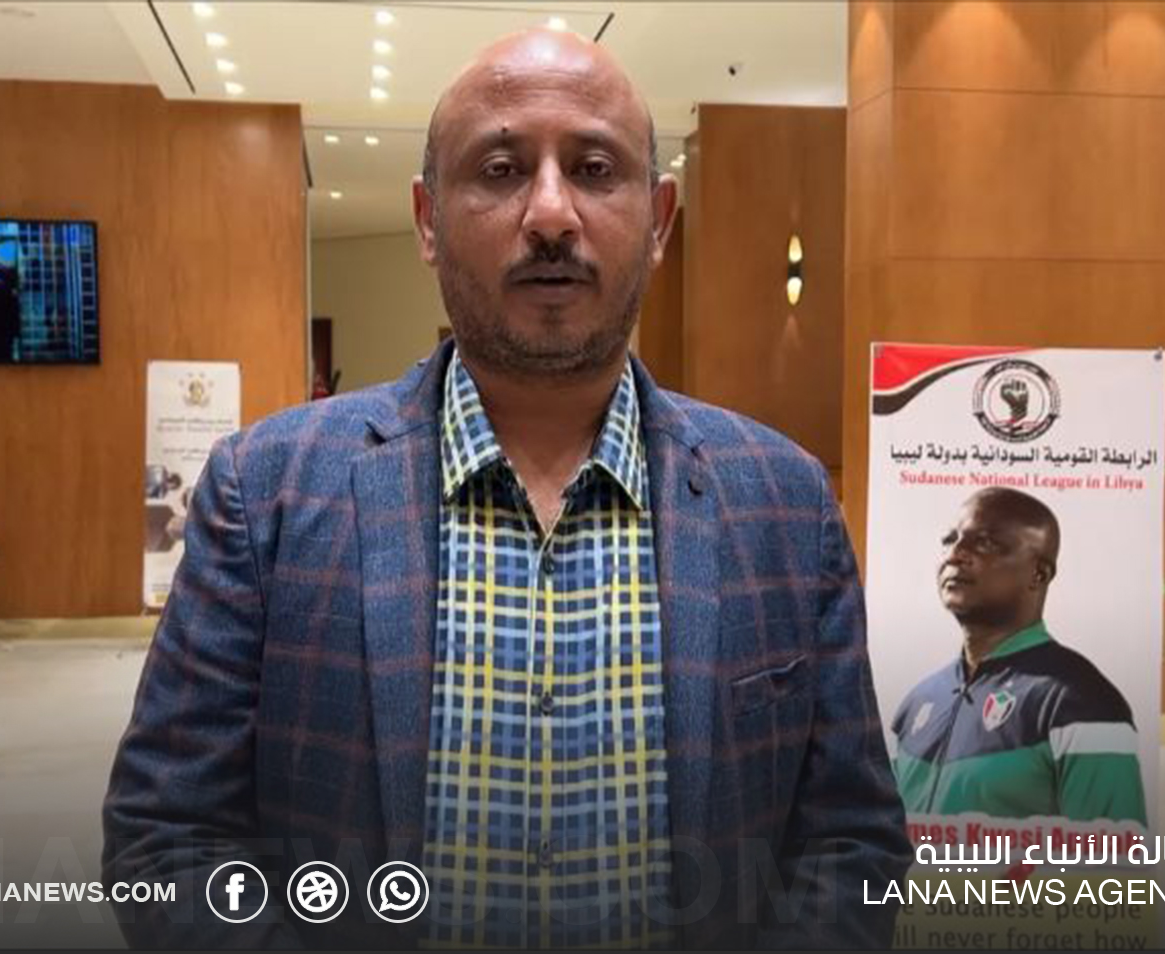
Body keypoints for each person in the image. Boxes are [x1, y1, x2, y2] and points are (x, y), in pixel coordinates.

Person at [103, 28, 910, 950]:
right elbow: (169, 836)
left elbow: (848, 841)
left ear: (658, 222)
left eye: (595, 169)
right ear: (426, 219)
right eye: (499, 169)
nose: (551, 214)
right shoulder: (267, 493)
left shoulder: (784, 503)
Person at [890, 487, 1147, 826]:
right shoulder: (915, 705)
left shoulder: (1084, 703)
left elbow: (1114, 857)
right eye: (949, 540)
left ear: (1038, 574)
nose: (955, 554)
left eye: (986, 543)